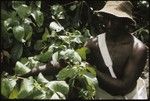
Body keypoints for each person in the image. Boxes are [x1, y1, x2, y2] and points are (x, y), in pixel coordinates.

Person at [84, 1, 148, 99]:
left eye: (114, 20)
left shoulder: (137, 49)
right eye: (106, 18)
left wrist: (91, 70)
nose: (109, 24)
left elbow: (123, 87)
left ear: (125, 22)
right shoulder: (93, 44)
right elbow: (73, 62)